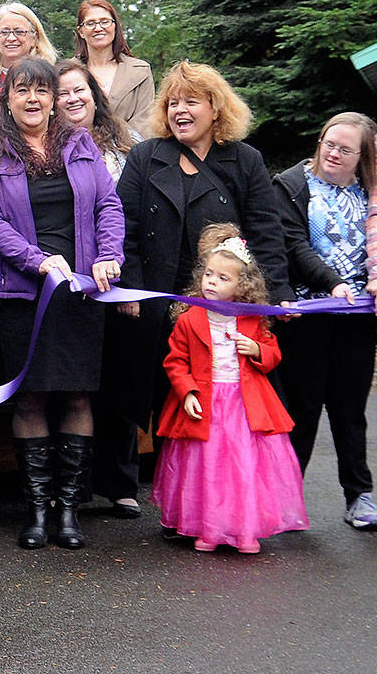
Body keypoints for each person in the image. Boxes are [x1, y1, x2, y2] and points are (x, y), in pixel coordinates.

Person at [116, 61, 292, 511]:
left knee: (226, 411)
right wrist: (132, 291)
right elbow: (125, 229)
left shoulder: (246, 161)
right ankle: (178, 507)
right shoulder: (144, 156)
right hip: (160, 307)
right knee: (170, 404)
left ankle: (227, 508)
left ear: (216, 108)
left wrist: (273, 300)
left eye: (191, 101)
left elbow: (267, 234)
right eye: (173, 102)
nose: (180, 110)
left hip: (223, 312)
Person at [0, 57, 124, 551]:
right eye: (23, 90)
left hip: (80, 292)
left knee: (78, 397)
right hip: (25, 294)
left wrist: (109, 255)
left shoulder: (81, 144)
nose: (33, 99)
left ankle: (69, 510)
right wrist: (37, 261)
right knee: (31, 399)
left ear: (55, 99)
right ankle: (37, 510)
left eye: (42, 90)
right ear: (8, 98)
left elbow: (108, 205)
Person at [152, 224, 307, 553]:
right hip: (205, 404)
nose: (212, 282)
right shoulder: (189, 318)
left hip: (243, 407)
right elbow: (175, 361)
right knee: (206, 470)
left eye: (223, 278)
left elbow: (273, 354)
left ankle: (244, 531)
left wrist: (257, 350)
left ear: (242, 286)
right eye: (209, 274)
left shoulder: (253, 317)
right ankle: (208, 528)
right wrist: (187, 392)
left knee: (243, 471)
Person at [273, 112, 377, 529]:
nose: (333, 153)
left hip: (357, 318)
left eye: (345, 149)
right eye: (328, 144)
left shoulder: (371, 194)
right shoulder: (291, 184)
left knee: (350, 409)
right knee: (302, 407)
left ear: (362, 156)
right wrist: (332, 282)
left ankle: (360, 495)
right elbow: (293, 243)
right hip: (308, 313)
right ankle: (286, 498)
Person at [54, 58, 141, 517]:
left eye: (79, 89)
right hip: (72, 283)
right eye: (62, 92)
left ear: (94, 94)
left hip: (119, 281)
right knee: (75, 387)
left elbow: (134, 218)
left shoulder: (129, 147)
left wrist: (129, 280)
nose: (72, 99)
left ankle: (121, 483)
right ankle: (75, 486)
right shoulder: (46, 148)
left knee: (118, 381)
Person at [72, 0, 154, 136]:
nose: (98, 28)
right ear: (81, 31)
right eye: (90, 23)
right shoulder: (67, 73)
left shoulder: (140, 71)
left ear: (115, 26)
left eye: (105, 21)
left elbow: (144, 122)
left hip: (131, 147)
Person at [0, 1, 58, 117]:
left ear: (34, 38)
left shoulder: (52, 79)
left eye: (19, 32)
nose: (11, 38)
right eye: (4, 32)